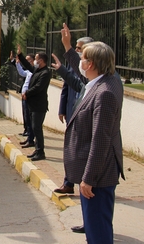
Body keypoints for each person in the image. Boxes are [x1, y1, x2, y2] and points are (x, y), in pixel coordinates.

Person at [53, 28, 124, 244]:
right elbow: (78, 73)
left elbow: (100, 140)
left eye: (83, 57)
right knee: (95, 229)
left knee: (98, 233)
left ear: (91, 64)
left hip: (97, 177)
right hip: (96, 174)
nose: (80, 62)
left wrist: (88, 179)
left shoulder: (104, 93)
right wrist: (68, 47)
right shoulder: (104, 81)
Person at [54, 36, 94, 198]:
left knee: (82, 150)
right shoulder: (75, 66)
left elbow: (82, 86)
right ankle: (68, 182)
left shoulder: (93, 71)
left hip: (85, 116)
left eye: (79, 48)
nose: (76, 51)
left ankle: (84, 182)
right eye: (75, 48)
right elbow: (68, 85)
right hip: (72, 110)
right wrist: (62, 108)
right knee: (71, 149)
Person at [20, 51, 51, 161]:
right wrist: (20, 55)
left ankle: (40, 152)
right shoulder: (37, 70)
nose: (34, 62)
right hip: (32, 105)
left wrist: (26, 93)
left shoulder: (45, 73)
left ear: (41, 61)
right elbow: (28, 66)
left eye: (36, 59)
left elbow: (38, 87)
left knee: (37, 128)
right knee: (34, 127)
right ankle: (37, 150)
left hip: (39, 106)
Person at [11, 50, 34, 146]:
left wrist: (27, 93)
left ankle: (31, 138)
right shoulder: (28, 72)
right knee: (26, 117)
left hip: (29, 97)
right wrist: (16, 63)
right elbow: (21, 72)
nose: (26, 61)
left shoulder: (35, 72)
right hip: (24, 96)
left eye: (28, 60)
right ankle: (29, 137)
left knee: (29, 118)